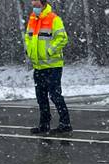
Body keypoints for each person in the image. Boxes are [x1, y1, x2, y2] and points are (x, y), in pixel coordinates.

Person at [25, 0, 72, 135]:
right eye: (33, 6)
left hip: (52, 65)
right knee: (41, 97)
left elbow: (62, 38)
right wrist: (29, 51)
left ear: (44, 4)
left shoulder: (54, 19)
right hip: (38, 66)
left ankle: (65, 123)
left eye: (37, 6)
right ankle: (44, 125)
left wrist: (49, 51)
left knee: (55, 95)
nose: (35, 8)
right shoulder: (32, 19)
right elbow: (28, 38)